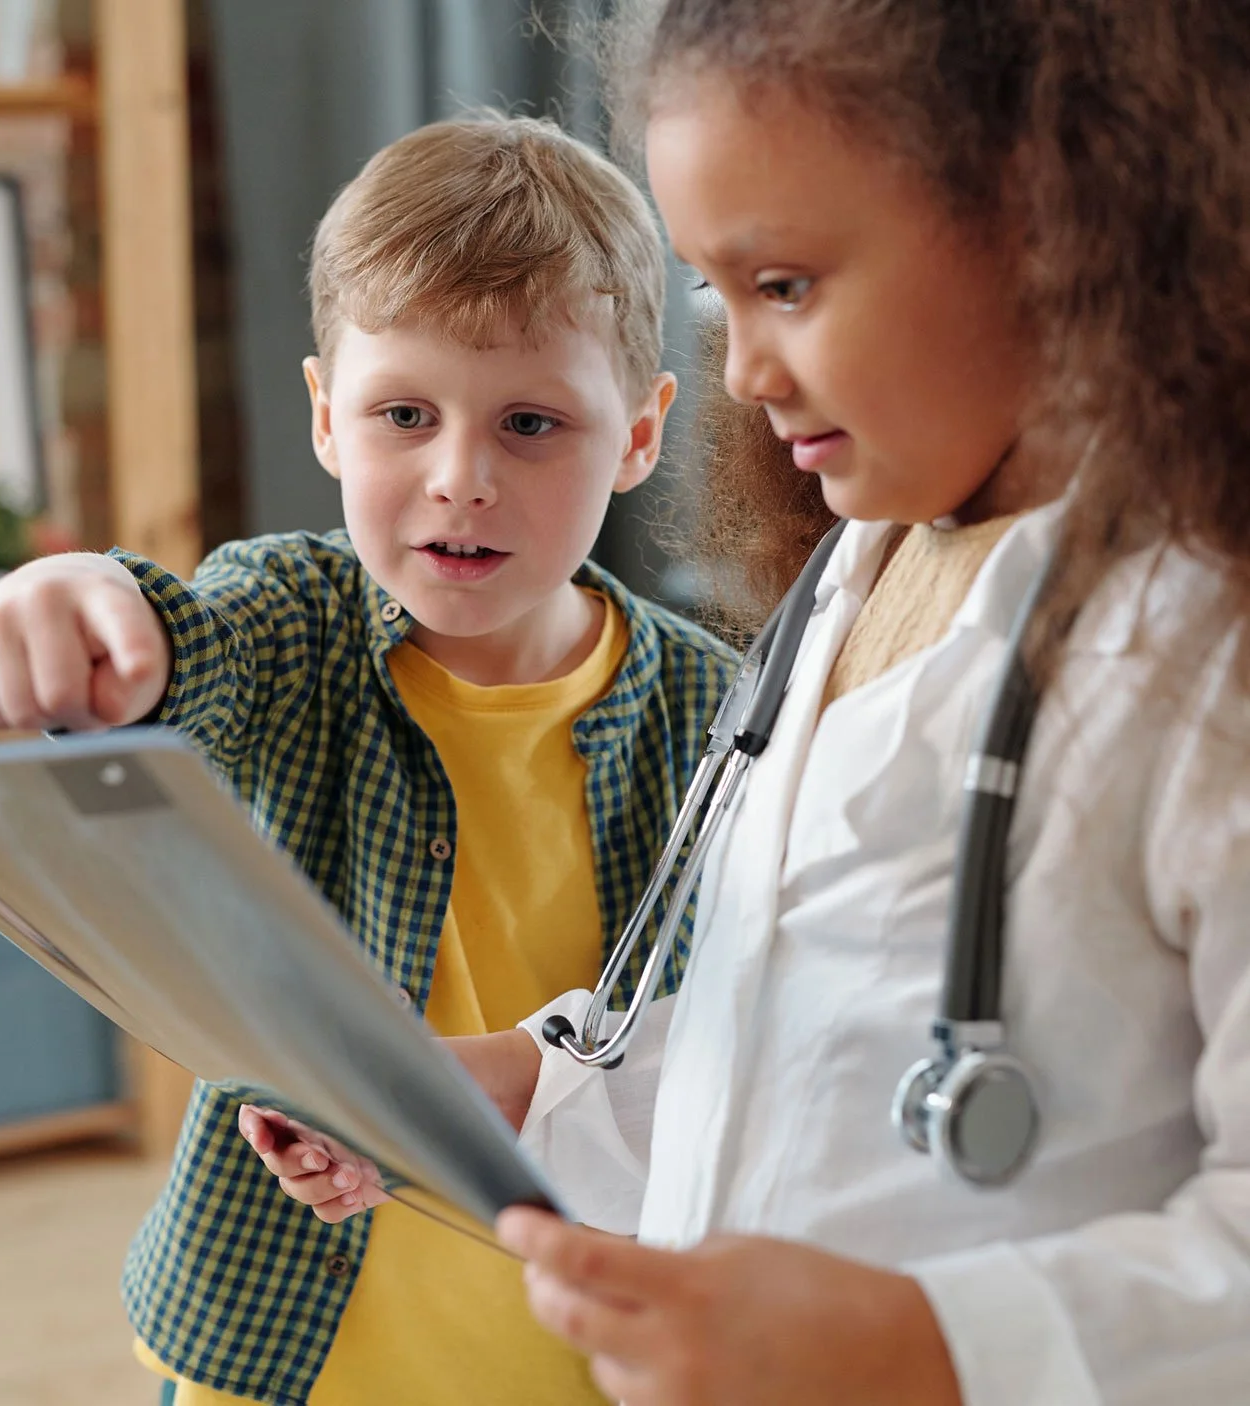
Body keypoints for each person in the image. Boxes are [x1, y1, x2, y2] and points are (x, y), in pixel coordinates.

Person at [254, 2, 1250, 1400]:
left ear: (1052, 218)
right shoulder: (863, 563)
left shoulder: (1208, 653)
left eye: (785, 284)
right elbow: (803, 1043)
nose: (746, 372)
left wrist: (924, 1346)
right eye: (719, 298)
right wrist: (538, 1089)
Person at [0, 114, 736, 1406]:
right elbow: (188, 644)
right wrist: (86, 589)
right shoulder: (300, 617)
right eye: (404, 415)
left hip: (573, 1349)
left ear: (641, 433)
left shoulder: (713, 710)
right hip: (282, 1344)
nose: (460, 477)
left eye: (532, 423)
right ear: (326, 415)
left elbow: (703, 1039)